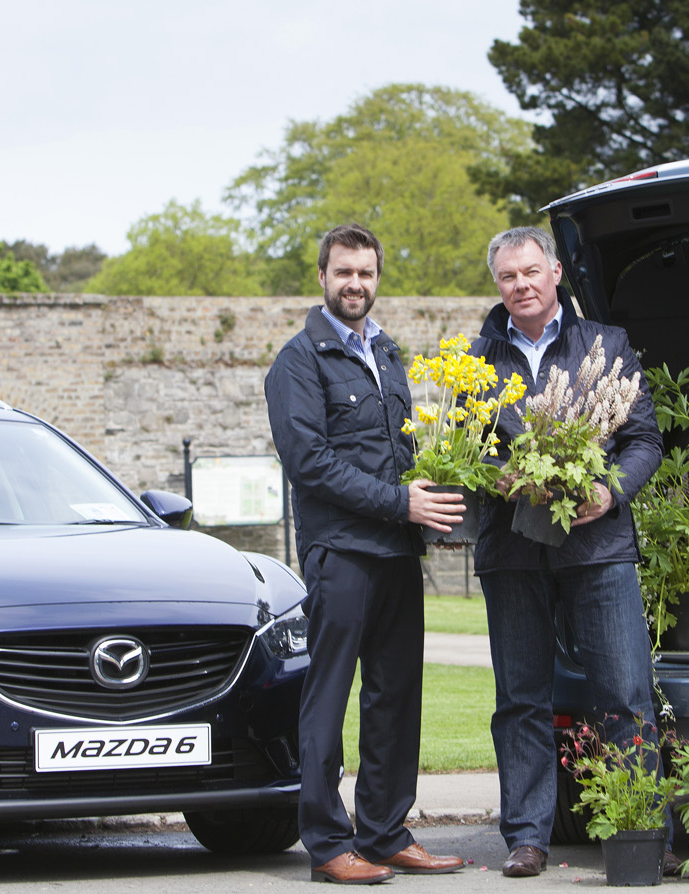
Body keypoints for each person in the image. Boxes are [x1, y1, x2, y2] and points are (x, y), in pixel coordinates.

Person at [264, 223, 468, 885]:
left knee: (396, 697)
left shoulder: (391, 355)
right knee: (328, 698)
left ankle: (384, 833)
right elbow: (311, 464)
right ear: (323, 276)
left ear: (378, 279)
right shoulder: (299, 360)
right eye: (344, 272)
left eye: (367, 274)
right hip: (341, 553)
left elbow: (404, 459)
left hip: (396, 554)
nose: (356, 284)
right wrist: (399, 502)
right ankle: (327, 845)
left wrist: (433, 510)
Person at [469, 226, 667, 878]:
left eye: (531, 272)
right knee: (521, 698)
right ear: (498, 284)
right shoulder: (475, 359)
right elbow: (465, 452)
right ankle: (527, 837)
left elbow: (643, 441)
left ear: (555, 273)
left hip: (599, 544)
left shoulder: (606, 346)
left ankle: (641, 830)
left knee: (625, 692)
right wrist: (490, 476)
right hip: (513, 548)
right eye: (508, 277)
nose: (521, 285)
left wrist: (609, 493)